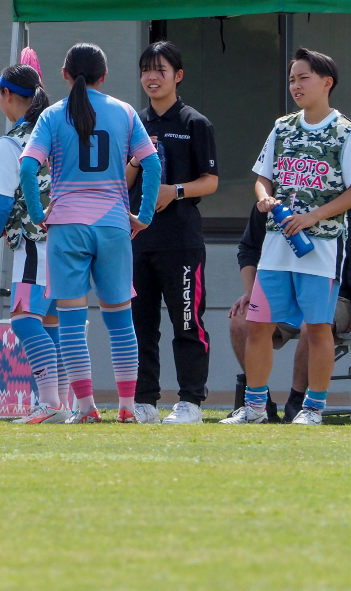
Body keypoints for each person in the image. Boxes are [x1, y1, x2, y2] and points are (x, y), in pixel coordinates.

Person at [20, 42, 161, 424]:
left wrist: (38, 214)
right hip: (114, 224)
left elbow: (28, 169)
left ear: (65, 75)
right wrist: (143, 215)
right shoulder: (125, 112)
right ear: (104, 76)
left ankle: (85, 408)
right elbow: (152, 164)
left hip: (67, 226)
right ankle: (128, 407)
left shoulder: (51, 115)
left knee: (70, 322)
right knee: (120, 322)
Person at [223, 48, 351, 426]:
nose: (295, 85)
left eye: (303, 77)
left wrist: (312, 216)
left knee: (318, 328)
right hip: (276, 247)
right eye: (292, 79)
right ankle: (256, 408)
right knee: (258, 325)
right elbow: (263, 178)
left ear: (326, 82)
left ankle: (312, 408)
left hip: (323, 246)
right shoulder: (282, 127)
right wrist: (265, 200)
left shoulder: (344, 131)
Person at [123, 41, 219, 425]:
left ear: (177, 76)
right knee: (140, 323)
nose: (152, 77)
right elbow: (121, 179)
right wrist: (135, 161)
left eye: (160, 70)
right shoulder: (133, 123)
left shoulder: (195, 123)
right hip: (137, 239)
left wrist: (174, 191)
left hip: (181, 240)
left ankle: (191, 402)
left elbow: (210, 181)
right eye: (146, 69)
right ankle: (144, 400)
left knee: (186, 321)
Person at [0, 49, 67, 423]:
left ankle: (49, 402)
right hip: (68, 239)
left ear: (5, 94)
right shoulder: (54, 131)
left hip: (35, 241)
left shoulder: (12, 141)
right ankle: (61, 402)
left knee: (23, 319)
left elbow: (2, 206)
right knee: (52, 323)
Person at [227, 201, 301, 422]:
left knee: (315, 324)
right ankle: (259, 403)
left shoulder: (332, 196)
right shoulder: (270, 202)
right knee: (241, 318)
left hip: (333, 293)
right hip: (277, 289)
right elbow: (248, 249)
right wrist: (251, 292)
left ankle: (297, 404)